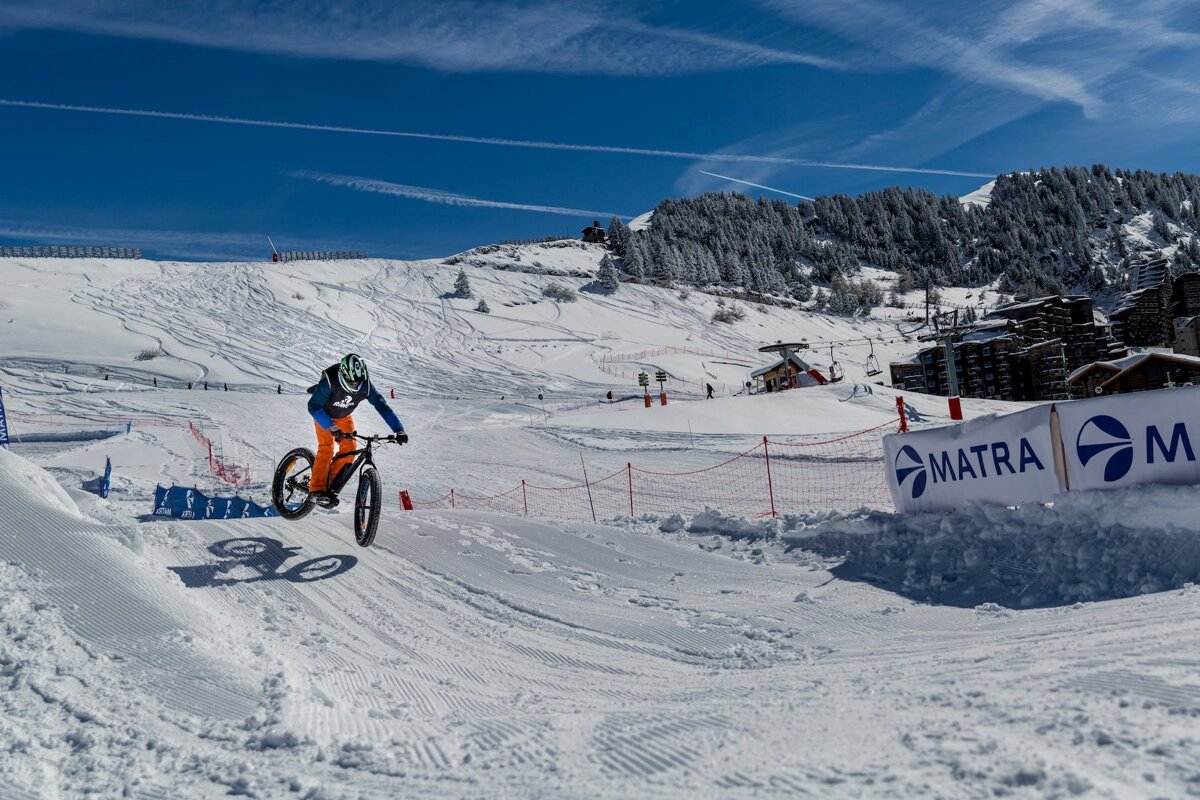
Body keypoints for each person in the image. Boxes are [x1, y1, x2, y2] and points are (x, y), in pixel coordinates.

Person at [307, 353, 407, 507]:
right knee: (327, 448)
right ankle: (316, 490)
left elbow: (382, 406)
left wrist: (399, 429)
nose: (356, 385)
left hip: (343, 416)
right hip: (323, 414)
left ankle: (329, 484)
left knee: (350, 448)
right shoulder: (330, 380)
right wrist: (330, 426)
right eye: (352, 382)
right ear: (344, 374)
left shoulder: (366, 386)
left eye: (359, 381)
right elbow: (313, 406)